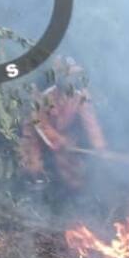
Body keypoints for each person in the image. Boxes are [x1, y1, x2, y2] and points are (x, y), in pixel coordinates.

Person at [19, 57, 106, 193]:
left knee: (74, 175)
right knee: (32, 166)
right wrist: (58, 139)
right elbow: (38, 122)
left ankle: (69, 196)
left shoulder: (81, 94)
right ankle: (33, 189)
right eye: (70, 76)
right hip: (35, 133)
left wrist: (99, 146)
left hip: (61, 134)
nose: (73, 80)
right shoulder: (44, 91)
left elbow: (90, 121)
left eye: (76, 76)